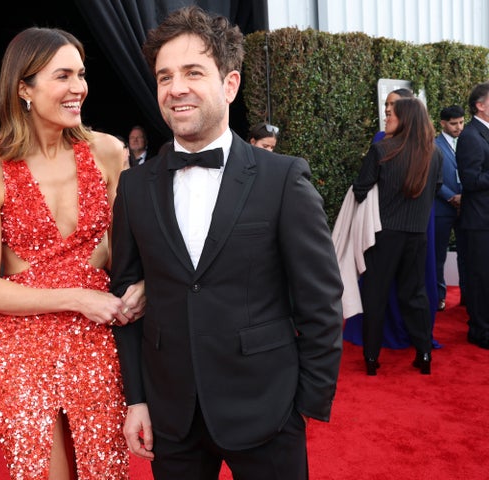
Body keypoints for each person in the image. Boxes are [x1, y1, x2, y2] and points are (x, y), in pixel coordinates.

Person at [109, 7, 344, 479]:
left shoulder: (283, 178)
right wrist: (135, 398)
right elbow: (126, 299)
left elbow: (321, 301)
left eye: (193, 72)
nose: (176, 88)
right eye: (164, 76)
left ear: (230, 84)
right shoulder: (134, 187)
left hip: (267, 409)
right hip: (171, 415)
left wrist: (304, 403)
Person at [0, 27, 144, 479]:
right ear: (24, 87)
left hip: (97, 340)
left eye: (81, 74)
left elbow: (133, 249)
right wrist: (78, 297)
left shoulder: (107, 151)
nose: (78, 88)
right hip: (23, 347)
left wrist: (142, 283)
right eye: (63, 76)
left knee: (103, 467)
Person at [353, 97, 443, 375]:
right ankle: (424, 354)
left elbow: (360, 189)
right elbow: (437, 187)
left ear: (405, 118)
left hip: (383, 235)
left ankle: (371, 359)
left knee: (375, 294)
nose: (387, 118)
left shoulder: (382, 149)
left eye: (392, 114)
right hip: (417, 236)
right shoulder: (435, 153)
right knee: (415, 295)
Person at [456, 81, 489, 350]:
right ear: (480, 106)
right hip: (478, 221)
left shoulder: (483, 134)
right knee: (479, 277)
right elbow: (470, 179)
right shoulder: (470, 136)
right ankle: (479, 331)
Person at [434, 105, 467, 311]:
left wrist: (466, 197)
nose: (458, 127)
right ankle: (439, 296)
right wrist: (450, 197)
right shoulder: (433, 145)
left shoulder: (468, 142)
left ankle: (468, 296)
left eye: (461, 122)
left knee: (467, 254)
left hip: (467, 207)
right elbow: (432, 177)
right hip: (441, 208)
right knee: (438, 255)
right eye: (454, 124)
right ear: (443, 123)